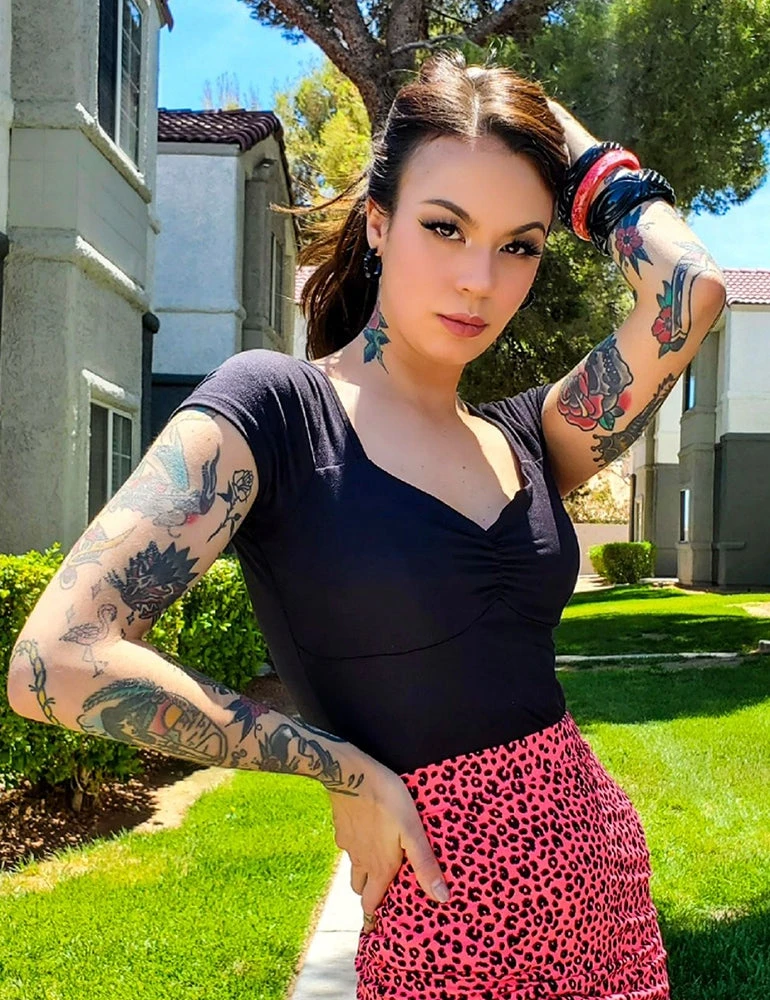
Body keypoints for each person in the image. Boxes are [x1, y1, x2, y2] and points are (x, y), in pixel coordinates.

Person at [8, 50, 726, 1000]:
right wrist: (339, 768)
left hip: (609, 895)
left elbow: (690, 290)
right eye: (444, 226)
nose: (479, 279)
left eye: (519, 245)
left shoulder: (531, 437)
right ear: (378, 222)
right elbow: (55, 661)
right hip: (451, 926)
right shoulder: (276, 411)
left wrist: (562, 135)